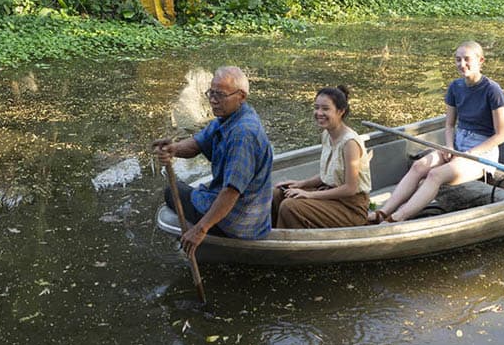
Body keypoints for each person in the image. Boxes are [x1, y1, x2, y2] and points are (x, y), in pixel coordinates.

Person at [369, 41, 504, 223]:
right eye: (458, 60)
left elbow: (501, 135)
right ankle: (383, 212)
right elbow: (449, 126)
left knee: (436, 174)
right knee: (419, 166)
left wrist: (469, 153)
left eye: (467, 59)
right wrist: (449, 147)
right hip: (457, 144)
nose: (462, 64)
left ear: (481, 60)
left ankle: (397, 219)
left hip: (481, 152)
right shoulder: (455, 88)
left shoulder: (492, 90)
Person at [153, 66, 273, 258]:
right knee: (185, 192)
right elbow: (197, 144)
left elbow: (231, 192)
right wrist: (173, 149)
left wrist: (200, 230)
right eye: (211, 93)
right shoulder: (228, 117)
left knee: (171, 192)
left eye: (220, 95)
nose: (213, 100)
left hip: (238, 221)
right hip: (237, 210)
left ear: (241, 96)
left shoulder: (243, 134)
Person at [271, 85, 371, 228]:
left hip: (351, 208)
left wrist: (310, 195)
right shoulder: (327, 134)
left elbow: (350, 188)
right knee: (279, 194)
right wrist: (301, 184)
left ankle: (292, 244)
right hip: (330, 196)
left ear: (340, 111)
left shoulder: (350, 143)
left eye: (325, 109)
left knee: (290, 206)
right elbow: (330, 174)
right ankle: (274, 236)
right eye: (316, 107)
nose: (319, 113)